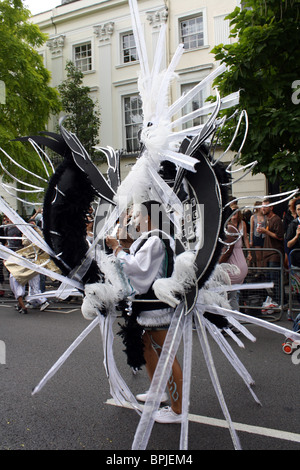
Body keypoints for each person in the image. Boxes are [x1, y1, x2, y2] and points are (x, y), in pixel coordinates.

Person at [106, 200, 183, 423]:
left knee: (166, 357)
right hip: (147, 307)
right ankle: (158, 391)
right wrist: (124, 246)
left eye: (137, 216)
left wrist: (118, 249)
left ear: (149, 218)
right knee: (148, 348)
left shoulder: (155, 240)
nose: (134, 220)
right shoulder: (151, 240)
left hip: (155, 308)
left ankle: (178, 410)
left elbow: (137, 269)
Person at [219, 204, 251, 311]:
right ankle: (234, 323)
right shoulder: (229, 228)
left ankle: (229, 322)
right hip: (236, 267)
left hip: (233, 268)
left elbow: (227, 252)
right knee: (231, 297)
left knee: (223, 296)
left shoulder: (229, 229)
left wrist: (215, 267)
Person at [258, 199, 284, 312]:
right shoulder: (266, 219)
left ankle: (281, 302)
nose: (263, 208)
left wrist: (266, 232)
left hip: (275, 253)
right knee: (269, 279)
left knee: (275, 279)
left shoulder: (276, 219)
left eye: (266, 207)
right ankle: (274, 300)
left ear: (271, 207)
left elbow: (280, 237)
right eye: (262, 207)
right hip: (267, 253)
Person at [249, 202, 267, 267]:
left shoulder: (265, 216)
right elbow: (251, 229)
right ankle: (259, 270)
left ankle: (264, 270)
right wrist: (251, 240)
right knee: (258, 256)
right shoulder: (253, 217)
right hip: (256, 236)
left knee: (264, 255)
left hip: (264, 236)